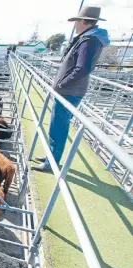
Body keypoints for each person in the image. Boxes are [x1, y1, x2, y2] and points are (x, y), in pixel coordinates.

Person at [32, 6, 109, 172]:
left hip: (69, 91)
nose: (75, 25)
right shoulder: (88, 39)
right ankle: (51, 157)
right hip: (70, 90)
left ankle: (51, 162)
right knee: (56, 125)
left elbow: (82, 68)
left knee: (59, 126)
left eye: (76, 22)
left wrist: (62, 84)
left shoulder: (89, 41)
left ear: (83, 21)